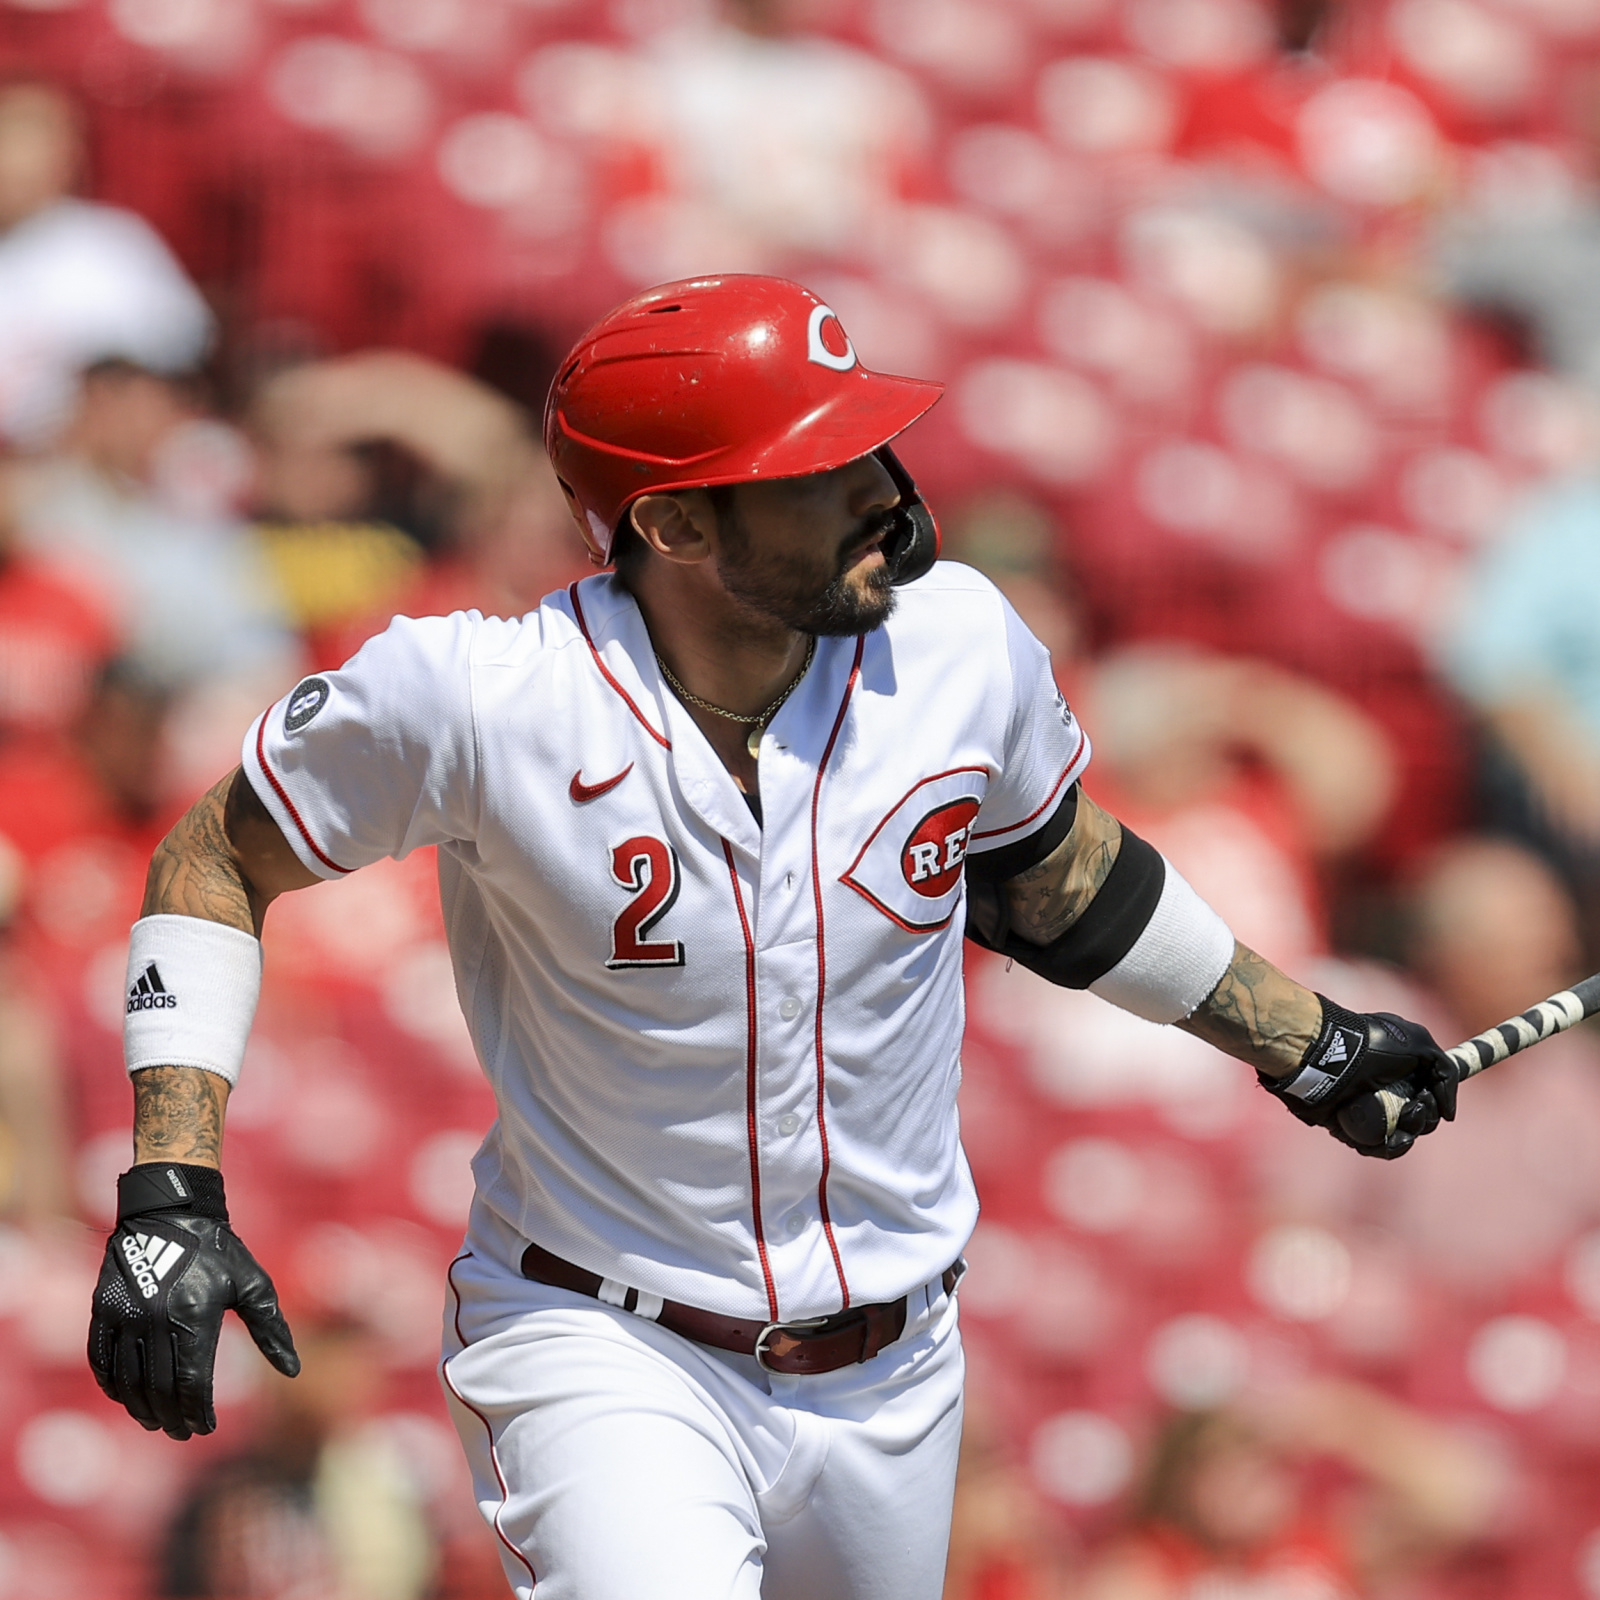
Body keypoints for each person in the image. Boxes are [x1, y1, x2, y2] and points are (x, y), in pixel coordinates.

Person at [87, 276, 1459, 1600]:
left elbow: (1059, 876)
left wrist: (1306, 1041)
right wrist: (171, 1189)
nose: (884, 493)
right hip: (603, 1342)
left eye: (873, 445)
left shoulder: (965, 645)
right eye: (820, 466)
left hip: (897, 1370)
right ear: (676, 528)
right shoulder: (479, 701)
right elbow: (212, 854)